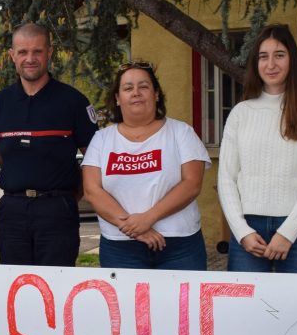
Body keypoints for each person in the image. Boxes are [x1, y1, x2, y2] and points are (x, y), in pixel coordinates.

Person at [218, 24, 297, 273]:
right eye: (263, 56)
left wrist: (288, 232)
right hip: (248, 231)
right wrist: (241, 232)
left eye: (279, 55)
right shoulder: (241, 113)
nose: (271, 64)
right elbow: (227, 177)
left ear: (292, 60)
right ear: (255, 63)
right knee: (245, 311)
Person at [0, 23, 99, 266]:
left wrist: (70, 196)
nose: (30, 58)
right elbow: (0, 152)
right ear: (12, 56)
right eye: (23, 52)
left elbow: (94, 159)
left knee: (57, 290)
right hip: (12, 210)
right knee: (14, 287)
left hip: (58, 210)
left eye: (37, 51)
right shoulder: (1, 102)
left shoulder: (73, 101)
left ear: (49, 53)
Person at [81, 62, 211, 270]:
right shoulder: (102, 139)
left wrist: (149, 218)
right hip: (120, 248)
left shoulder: (181, 132)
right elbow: (92, 190)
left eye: (143, 86)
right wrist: (135, 228)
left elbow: (192, 184)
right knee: (126, 304)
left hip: (179, 246)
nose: (136, 93)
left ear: (156, 94)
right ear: (117, 98)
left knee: (182, 304)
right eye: (128, 88)